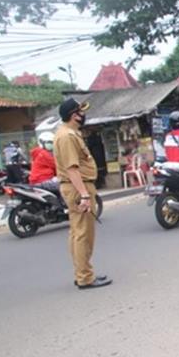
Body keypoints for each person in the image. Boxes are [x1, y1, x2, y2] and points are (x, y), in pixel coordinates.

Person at [53, 98, 112, 290]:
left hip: (76, 186)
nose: (83, 115)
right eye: (81, 112)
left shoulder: (68, 134)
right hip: (78, 187)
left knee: (78, 233)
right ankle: (85, 277)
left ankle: (82, 273)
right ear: (73, 115)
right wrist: (84, 195)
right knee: (83, 234)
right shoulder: (67, 136)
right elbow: (72, 169)